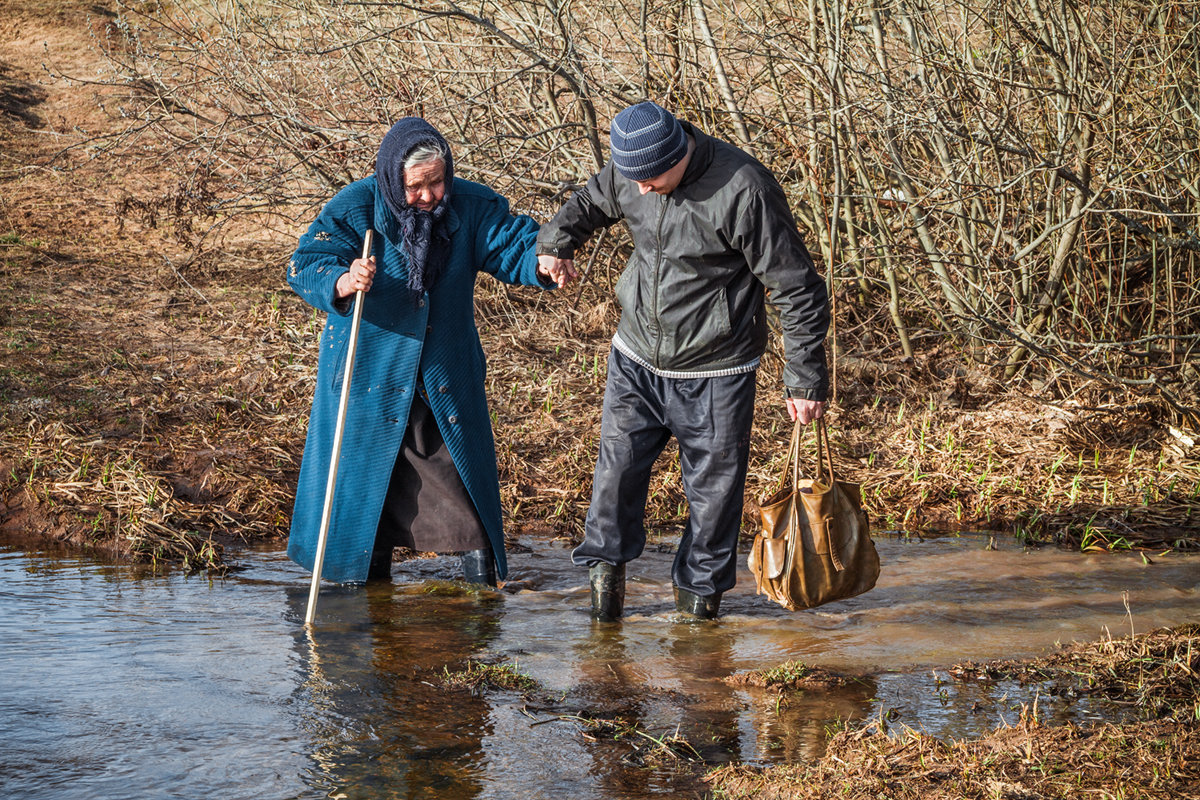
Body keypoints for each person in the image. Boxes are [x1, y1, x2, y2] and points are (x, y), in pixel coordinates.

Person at [537, 101, 830, 620]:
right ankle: (604, 611)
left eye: (652, 178)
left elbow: (797, 288)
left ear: (679, 151)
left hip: (716, 370)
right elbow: (590, 202)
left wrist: (805, 378)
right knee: (614, 478)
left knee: (713, 499)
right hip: (635, 359)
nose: (642, 189)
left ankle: (699, 620)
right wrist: (558, 241)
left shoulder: (744, 188)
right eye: (635, 180)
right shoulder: (633, 169)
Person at [287, 117, 555, 587]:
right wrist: (344, 280)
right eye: (417, 186)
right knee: (364, 503)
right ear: (393, 179)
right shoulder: (356, 207)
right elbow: (306, 263)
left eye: (438, 181)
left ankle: (481, 614)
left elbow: (512, 244)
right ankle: (365, 603)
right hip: (367, 380)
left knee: (465, 498)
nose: (430, 196)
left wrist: (544, 258)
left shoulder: (471, 206)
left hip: (442, 378)